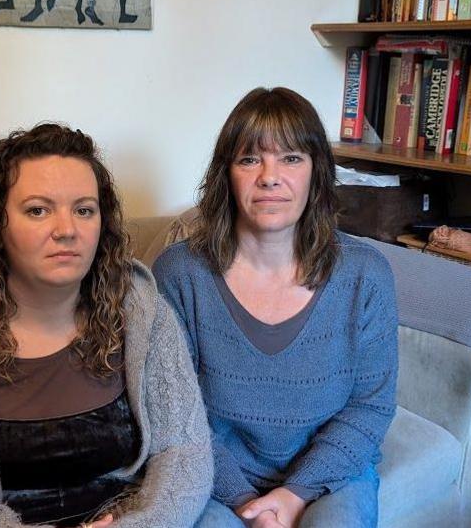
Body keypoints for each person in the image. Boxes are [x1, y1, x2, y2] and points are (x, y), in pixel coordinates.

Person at [0, 123, 212, 527]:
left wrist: (138, 525)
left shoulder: (144, 314)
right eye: (38, 210)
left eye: (84, 210)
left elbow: (185, 452)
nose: (67, 230)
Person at [152, 88, 399, 528]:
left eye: (290, 158)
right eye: (250, 159)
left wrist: (294, 494)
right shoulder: (180, 274)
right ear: (226, 174)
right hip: (212, 474)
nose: (270, 177)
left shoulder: (365, 275)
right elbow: (175, 414)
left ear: (316, 173)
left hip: (333, 474)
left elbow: (369, 408)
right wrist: (250, 504)